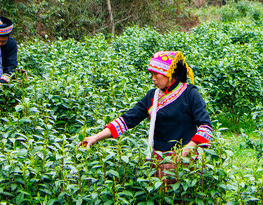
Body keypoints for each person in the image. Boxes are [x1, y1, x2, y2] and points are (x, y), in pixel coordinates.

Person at [78, 51, 212, 177]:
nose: (153, 79)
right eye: (151, 75)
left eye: (156, 74)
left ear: (169, 73)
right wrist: (96, 137)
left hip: (186, 163)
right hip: (159, 163)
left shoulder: (190, 94)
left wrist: (185, 151)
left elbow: (205, 127)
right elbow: (127, 120)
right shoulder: (152, 96)